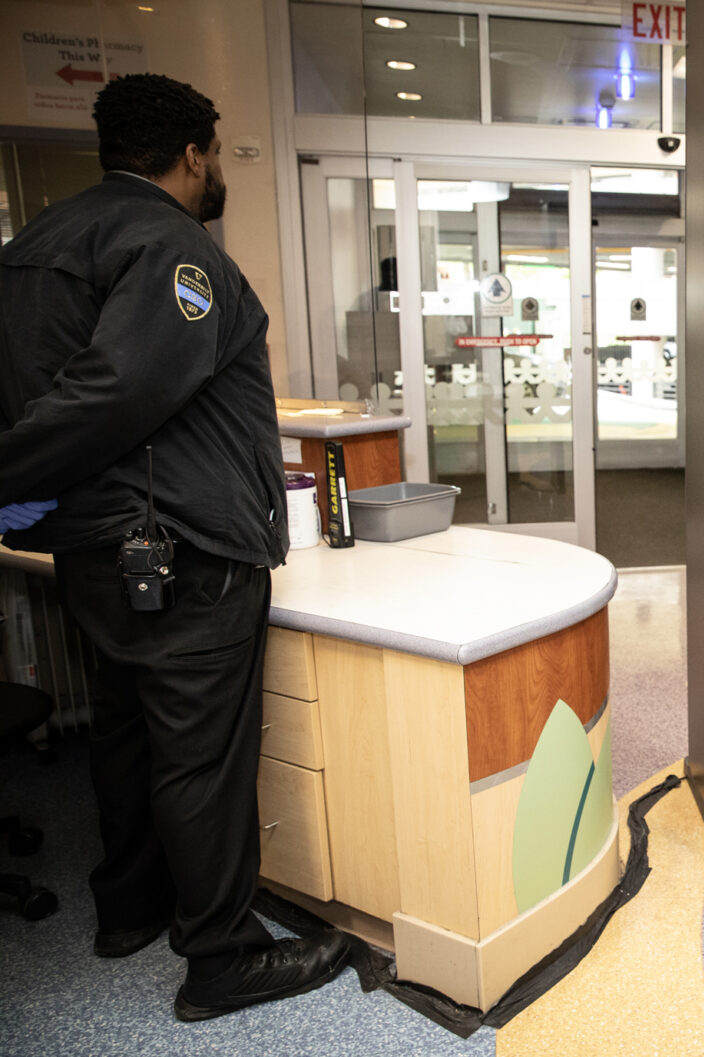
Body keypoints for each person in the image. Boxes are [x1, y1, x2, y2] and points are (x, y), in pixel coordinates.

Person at [0, 74, 349, 1022]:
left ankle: (129, 909)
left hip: (95, 550)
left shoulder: (34, 246)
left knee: (123, 731)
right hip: (181, 551)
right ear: (194, 153)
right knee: (200, 756)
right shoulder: (170, 246)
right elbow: (116, 392)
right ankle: (224, 956)